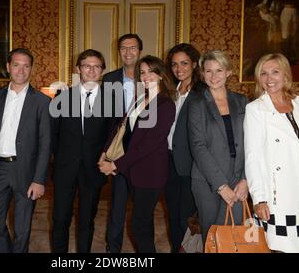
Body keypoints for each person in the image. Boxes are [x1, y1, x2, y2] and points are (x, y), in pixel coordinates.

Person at [244, 53, 299, 253]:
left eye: (275, 72)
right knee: (280, 245)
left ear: (285, 74)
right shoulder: (255, 110)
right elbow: (253, 158)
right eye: (263, 74)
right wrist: (259, 198)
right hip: (276, 194)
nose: (269, 79)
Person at [99, 55, 176, 253]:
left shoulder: (165, 104)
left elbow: (149, 145)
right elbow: (121, 127)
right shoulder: (141, 97)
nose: (146, 76)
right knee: (144, 223)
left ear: (160, 74)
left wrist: (115, 165)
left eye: (151, 71)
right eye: (142, 72)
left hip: (150, 174)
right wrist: (105, 152)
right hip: (133, 171)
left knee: (138, 226)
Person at [0, 48, 51, 253]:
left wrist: (39, 179)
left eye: (26, 66)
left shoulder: (42, 101)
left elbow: (45, 143)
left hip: (26, 171)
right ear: (8, 67)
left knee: (22, 230)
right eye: (16, 65)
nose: (21, 70)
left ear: (31, 68)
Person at [51, 49, 116, 253]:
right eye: (87, 65)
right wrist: (58, 158)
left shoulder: (111, 98)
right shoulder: (62, 96)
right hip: (65, 168)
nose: (92, 70)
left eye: (97, 66)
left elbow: (113, 135)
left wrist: (107, 158)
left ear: (102, 70)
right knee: (60, 218)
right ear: (78, 69)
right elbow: (53, 134)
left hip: (93, 168)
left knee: (87, 220)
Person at [187, 50, 248, 244]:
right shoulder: (196, 104)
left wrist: (246, 179)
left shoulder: (242, 101)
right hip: (206, 179)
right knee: (213, 237)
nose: (214, 76)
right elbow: (198, 147)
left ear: (228, 72)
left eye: (219, 70)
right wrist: (221, 186)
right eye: (208, 71)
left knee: (234, 235)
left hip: (238, 176)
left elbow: (252, 143)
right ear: (203, 74)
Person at [102, 33, 142, 253]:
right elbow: (107, 118)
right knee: (117, 203)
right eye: (124, 48)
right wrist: (106, 150)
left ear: (140, 51)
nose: (128, 52)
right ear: (119, 52)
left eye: (133, 48)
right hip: (118, 149)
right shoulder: (109, 79)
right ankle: (113, 249)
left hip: (142, 150)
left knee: (141, 205)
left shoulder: (149, 77)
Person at [164, 43, 205, 252]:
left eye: (184, 63)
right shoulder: (170, 91)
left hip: (191, 164)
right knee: (172, 214)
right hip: (168, 160)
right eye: (174, 64)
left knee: (186, 217)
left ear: (194, 64)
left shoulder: (203, 93)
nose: (179, 69)